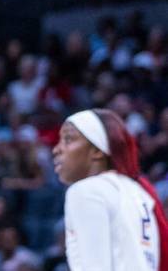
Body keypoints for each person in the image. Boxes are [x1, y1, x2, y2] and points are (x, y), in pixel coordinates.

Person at [53, 108, 168, 270]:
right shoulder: (140, 191)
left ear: (97, 150)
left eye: (68, 139)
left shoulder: (87, 190)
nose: (56, 149)